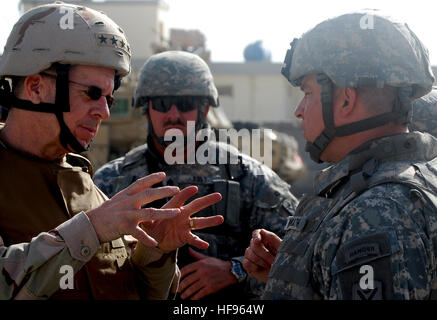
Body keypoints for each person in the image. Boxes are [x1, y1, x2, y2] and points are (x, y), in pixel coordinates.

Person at [0, 3, 224, 300]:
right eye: (92, 93)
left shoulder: (88, 189)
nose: (104, 111)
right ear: (36, 87)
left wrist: (153, 254)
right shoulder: (100, 212)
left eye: (109, 97)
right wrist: (90, 229)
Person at [243, 12, 437, 299]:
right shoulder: (407, 180)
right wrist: (294, 279)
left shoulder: (375, 212)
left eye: (307, 92)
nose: (299, 109)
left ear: (346, 99)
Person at [93, 50, 298, 300]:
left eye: (187, 104)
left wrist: (235, 271)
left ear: (205, 108)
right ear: (146, 108)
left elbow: (299, 256)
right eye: (161, 104)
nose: (174, 115)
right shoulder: (112, 181)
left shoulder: (249, 177)